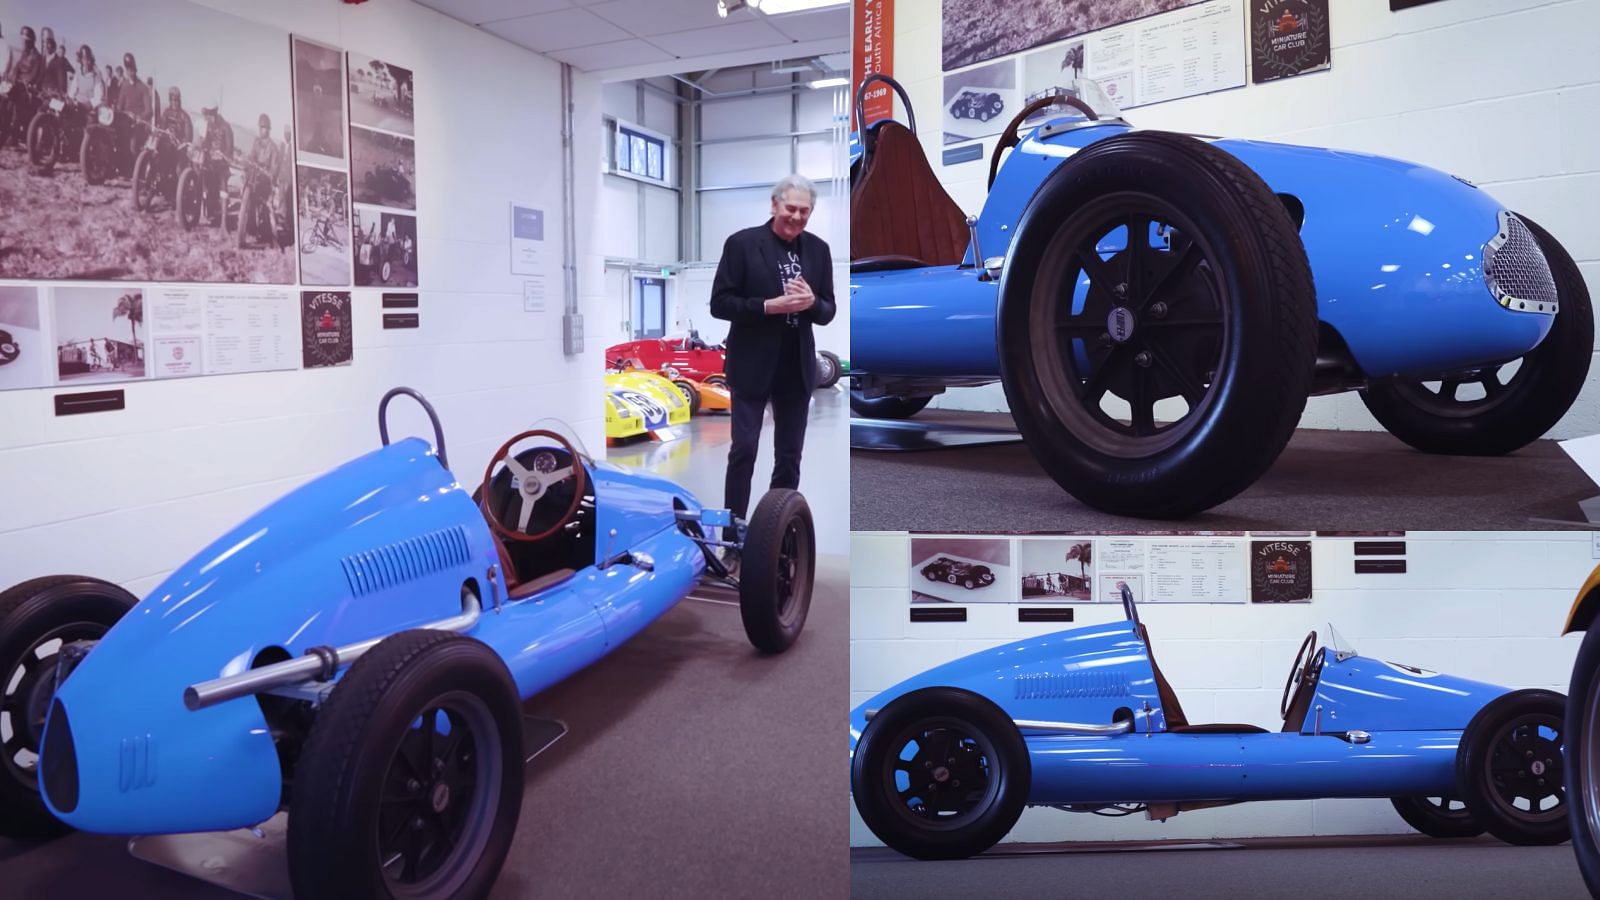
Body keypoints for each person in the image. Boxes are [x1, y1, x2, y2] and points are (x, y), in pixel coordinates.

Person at [709, 174, 836, 556]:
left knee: (789, 458)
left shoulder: (818, 250)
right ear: (774, 204)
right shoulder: (742, 244)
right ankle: (733, 536)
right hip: (751, 364)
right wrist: (768, 306)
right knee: (744, 450)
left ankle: (776, 533)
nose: (797, 217)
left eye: (805, 211)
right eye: (791, 209)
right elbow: (720, 303)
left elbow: (828, 310)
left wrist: (812, 302)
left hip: (795, 368)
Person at [199, 106, 234, 225]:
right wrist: (202, 146)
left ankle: (224, 223)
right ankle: (205, 213)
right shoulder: (210, 125)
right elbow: (207, 141)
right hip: (211, 162)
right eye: (206, 115)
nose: (207, 118)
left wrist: (223, 154)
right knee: (203, 177)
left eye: (209, 115)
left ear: (214, 114)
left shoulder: (226, 127)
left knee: (223, 184)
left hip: (222, 164)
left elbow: (230, 149)